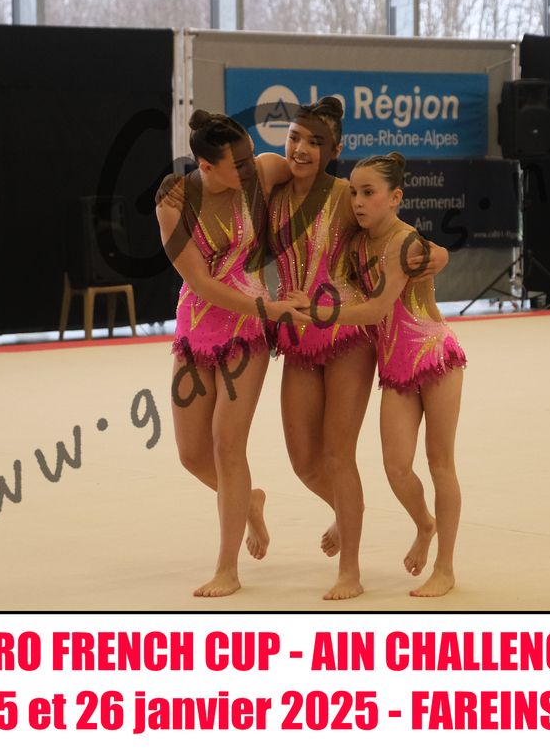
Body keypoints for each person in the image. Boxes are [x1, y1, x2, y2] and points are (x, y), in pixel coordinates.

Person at [267, 100, 447, 601]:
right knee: (304, 462)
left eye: (315, 142)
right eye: (295, 138)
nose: (301, 149)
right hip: (299, 334)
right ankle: (345, 514)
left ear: (335, 149)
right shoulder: (273, 193)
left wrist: (439, 253)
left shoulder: (347, 195)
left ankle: (350, 570)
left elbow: (401, 232)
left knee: (337, 454)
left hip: (347, 332)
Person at [155, 109, 306, 598]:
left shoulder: (261, 171)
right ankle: (249, 501)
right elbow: (201, 282)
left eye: (248, 157)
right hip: (199, 324)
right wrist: (271, 307)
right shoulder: (174, 204)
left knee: (226, 443)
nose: (248, 168)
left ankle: (227, 568)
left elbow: (310, 174)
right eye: (236, 164)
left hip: (248, 327)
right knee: (191, 455)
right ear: (205, 165)